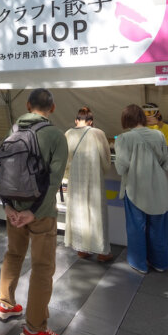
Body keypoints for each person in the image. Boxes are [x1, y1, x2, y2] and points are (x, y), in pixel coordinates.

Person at [0, 88, 70, 335]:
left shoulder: (13, 132)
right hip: (40, 214)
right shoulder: (56, 136)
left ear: (27, 105)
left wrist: (8, 206)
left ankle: (5, 304)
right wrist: (34, 213)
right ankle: (35, 329)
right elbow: (54, 181)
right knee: (42, 267)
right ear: (53, 107)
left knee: (13, 254)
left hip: (13, 210)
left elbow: (2, 170)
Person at [114, 104, 168, 274]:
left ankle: (139, 263)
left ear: (126, 119)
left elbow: (120, 168)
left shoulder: (124, 139)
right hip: (158, 188)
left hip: (135, 189)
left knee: (136, 228)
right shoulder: (159, 135)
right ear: (142, 118)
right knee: (158, 228)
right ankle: (160, 263)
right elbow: (165, 163)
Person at [63, 106, 113, 262]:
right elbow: (106, 159)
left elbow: (65, 159)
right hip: (94, 179)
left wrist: (68, 174)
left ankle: (81, 249)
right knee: (97, 214)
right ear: (91, 122)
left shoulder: (68, 134)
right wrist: (103, 170)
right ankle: (103, 252)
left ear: (76, 120)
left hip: (75, 179)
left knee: (78, 213)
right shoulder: (98, 133)